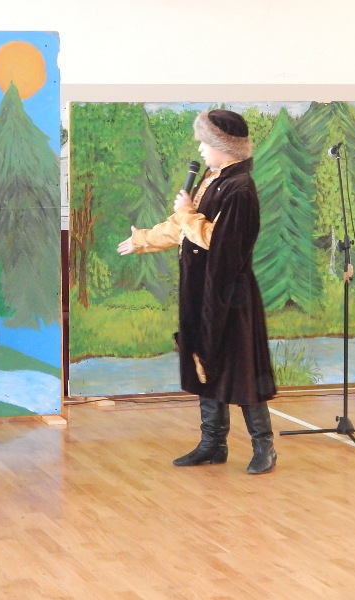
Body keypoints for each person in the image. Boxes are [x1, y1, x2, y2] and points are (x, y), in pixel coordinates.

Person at [117, 109, 277, 475]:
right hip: (202, 291)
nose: (200, 149)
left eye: (205, 142)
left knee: (241, 366)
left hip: (229, 295)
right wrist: (143, 239)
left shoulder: (240, 189)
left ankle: (263, 446)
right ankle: (212, 443)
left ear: (223, 145)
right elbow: (182, 227)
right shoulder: (212, 179)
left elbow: (224, 245)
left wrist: (189, 214)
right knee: (205, 360)